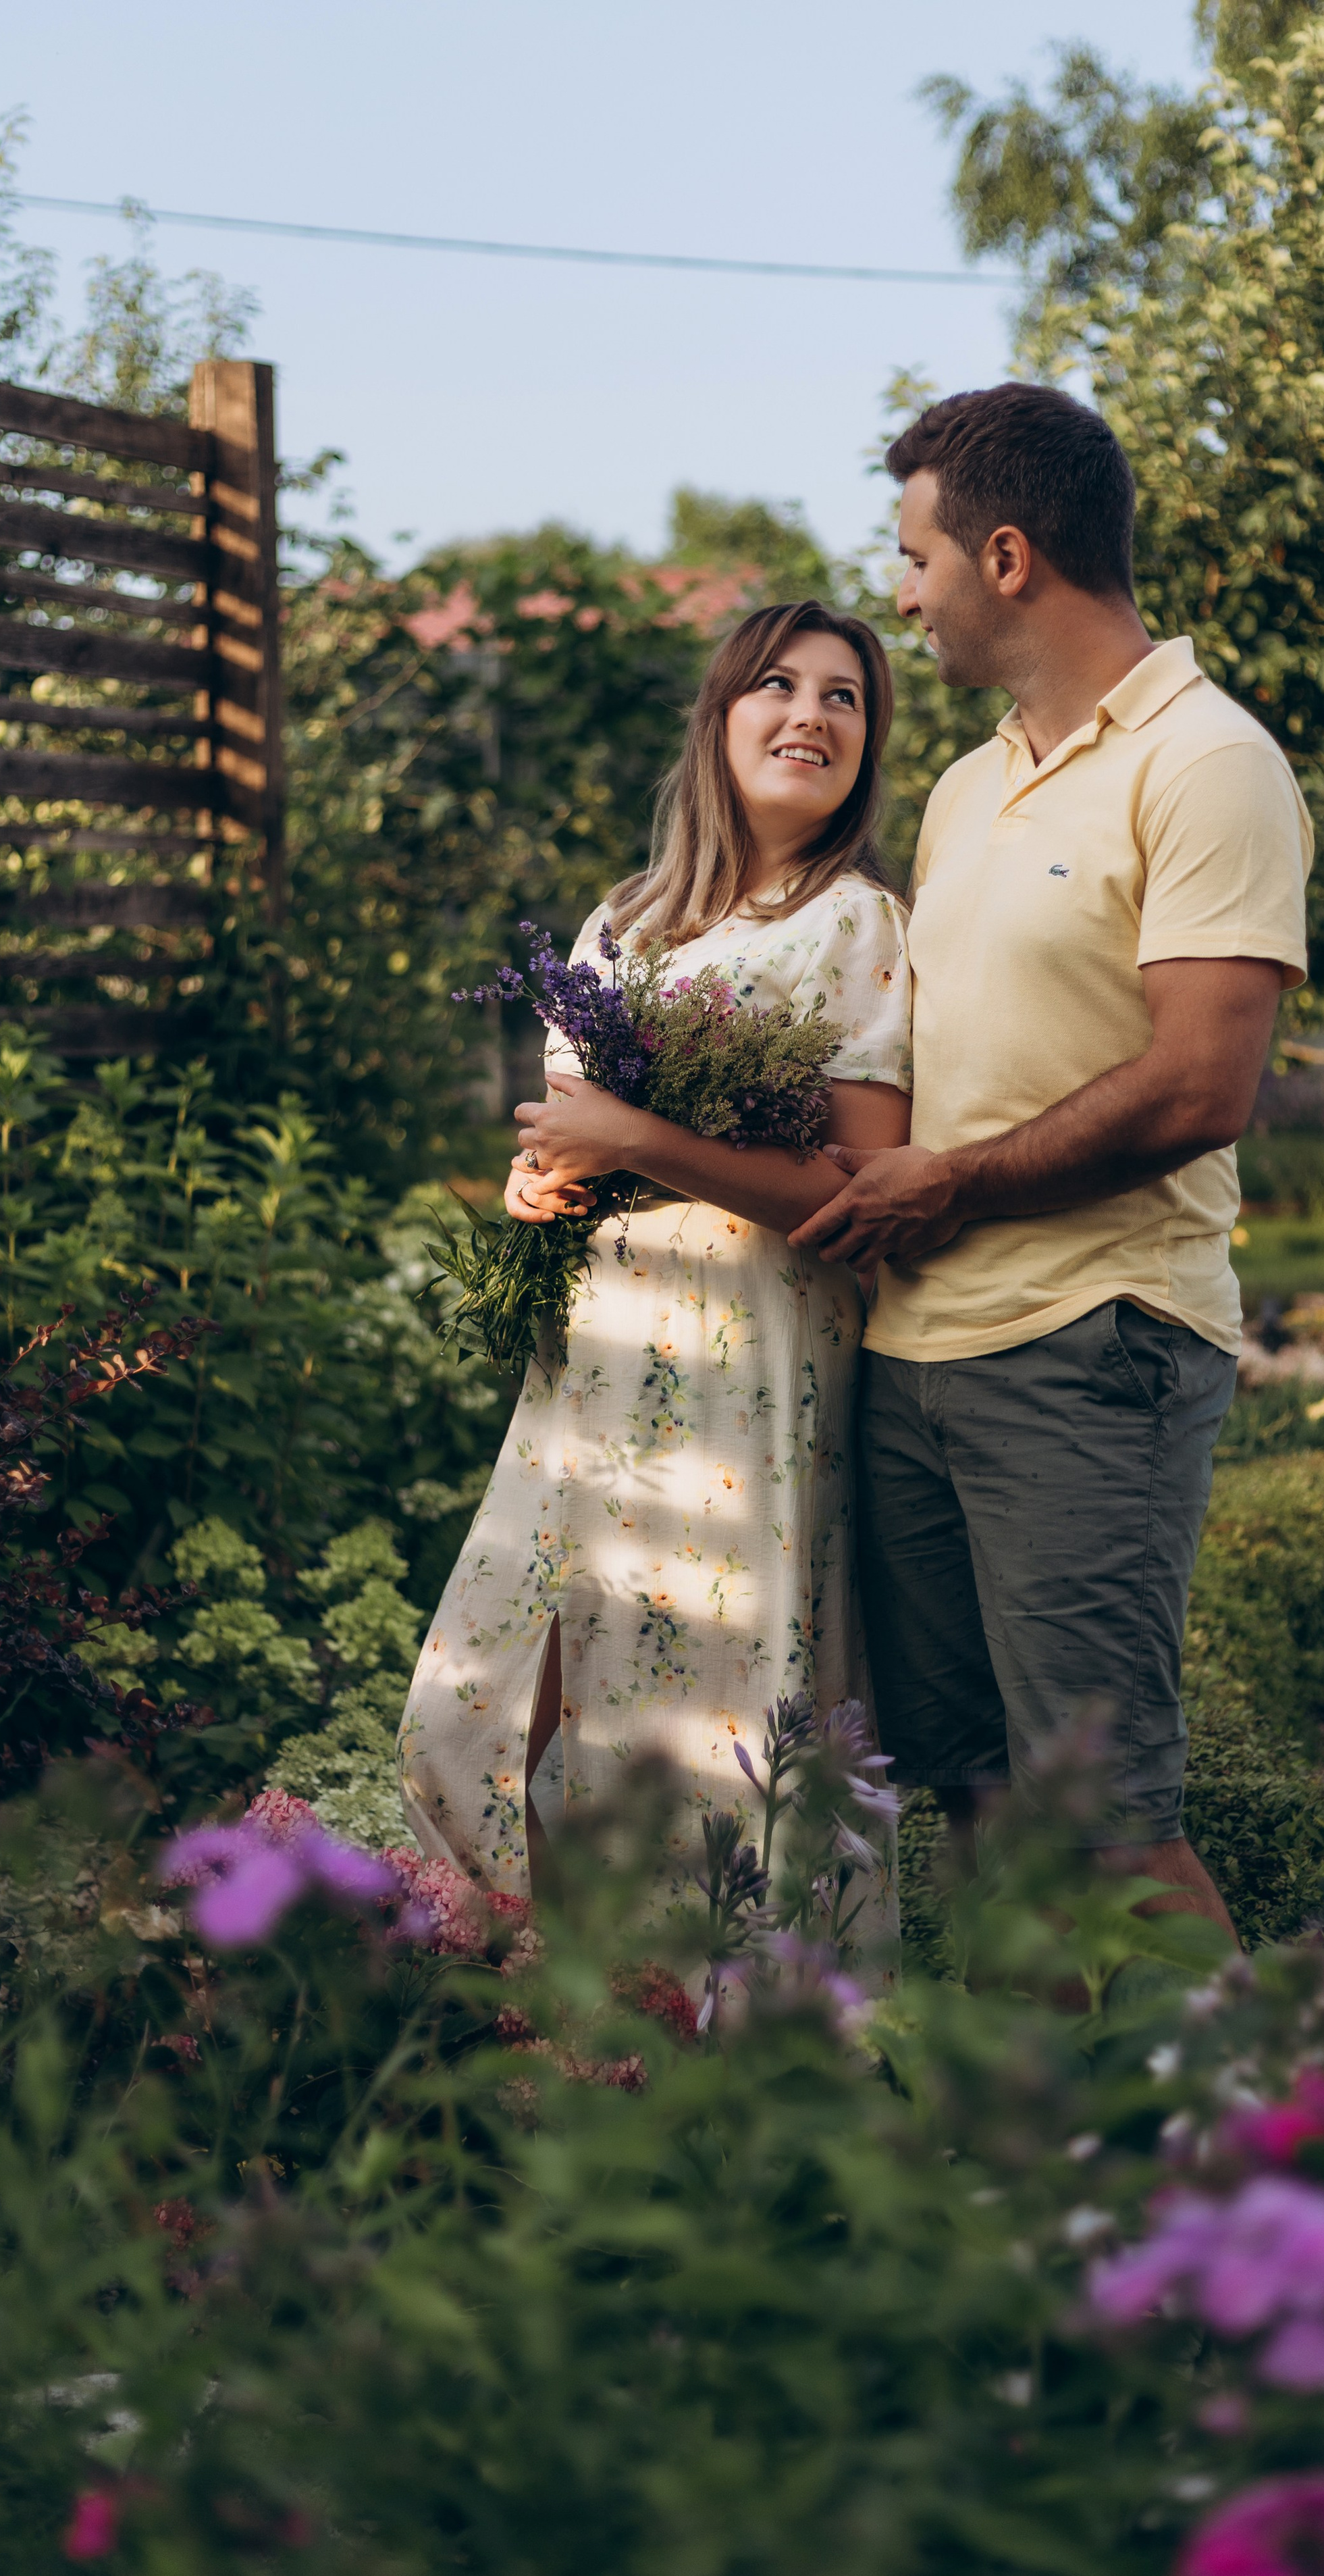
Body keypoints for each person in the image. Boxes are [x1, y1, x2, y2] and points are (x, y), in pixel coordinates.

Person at [792, 385, 1313, 1940]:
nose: (901, 596)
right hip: (915, 1352)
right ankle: (1036, 2106)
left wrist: (954, 1183)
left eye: (915, 558)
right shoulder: (968, 788)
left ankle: (1280, 2101)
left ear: (1005, 557)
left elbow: (1199, 1084)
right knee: (980, 1812)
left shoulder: (1206, 762)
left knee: (1101, 1833)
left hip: (1090, 1344)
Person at [397, 602, 912, 1961]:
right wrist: (537, 1184)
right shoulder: (622, 922)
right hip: (598, 1354)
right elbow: (568, 1138)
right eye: (779, 685)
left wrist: (639, 1142)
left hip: (751, 1357)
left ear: (867, 745)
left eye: (845, 698)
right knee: (487, 1696)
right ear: (720, 716)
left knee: (711, 1712)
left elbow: (857, 1194)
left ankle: (715, 2023)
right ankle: (554, 2005)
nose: (811, 715)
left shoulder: (857, 923)